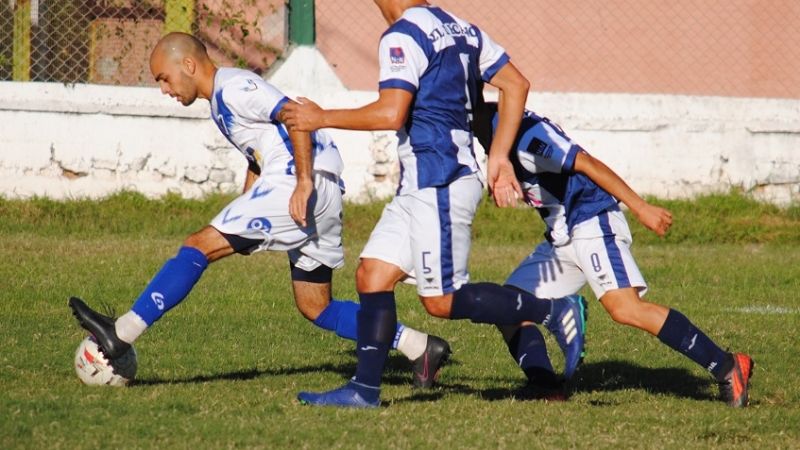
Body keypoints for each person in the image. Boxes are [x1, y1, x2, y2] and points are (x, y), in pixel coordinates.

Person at [68, 32, 453, 389]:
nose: (164, 89)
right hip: (320, 187)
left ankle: (121, 334)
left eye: (164, 78)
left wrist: (303, 182)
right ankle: (420, 347)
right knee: (315, 306)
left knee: (198, 245)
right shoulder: (220, 103)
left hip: (299, 183)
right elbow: (259, 152)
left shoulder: (234, 87)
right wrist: (246, 200)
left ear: (188, 65)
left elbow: (294, 116)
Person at [282, 0, 586, 408]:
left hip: (440, 180)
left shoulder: (403, 35)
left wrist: (321, 117)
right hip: (422, 182)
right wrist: (497, 155)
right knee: (372, 275)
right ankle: (364, 391)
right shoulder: (462, 27)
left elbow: (391, 113)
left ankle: (554, 310)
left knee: (441, 300)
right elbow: (516, 83)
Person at [472, 101, 754, 407]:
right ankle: (544, 385)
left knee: (625, 309)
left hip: (591, 221)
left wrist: (641, 207)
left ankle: (727, 365)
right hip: (563, 235)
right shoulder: (499, 133)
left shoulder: (527, 137)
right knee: (510, 304)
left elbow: (587, 164)